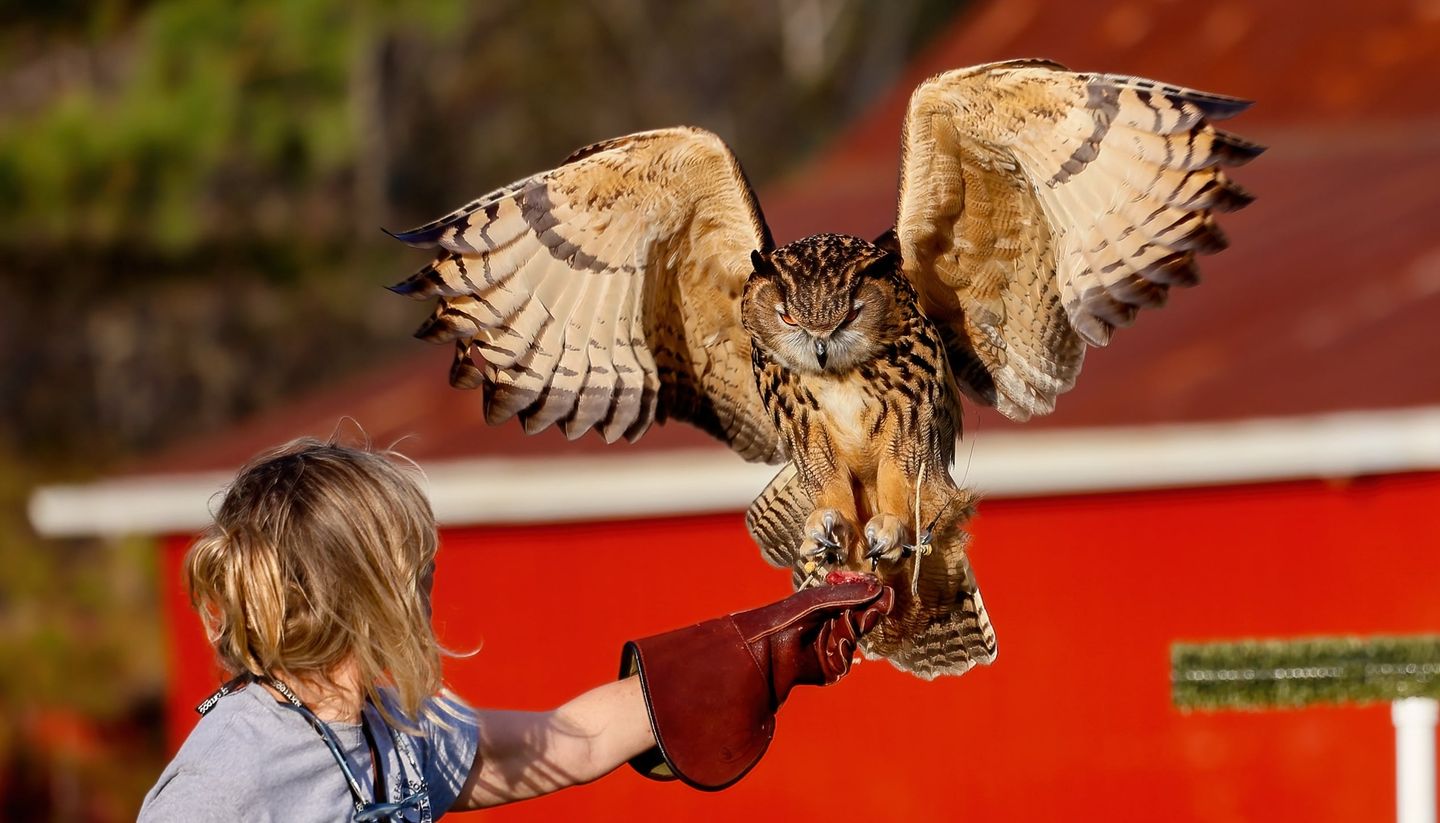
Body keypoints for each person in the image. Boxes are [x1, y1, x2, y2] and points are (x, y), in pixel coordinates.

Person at [138, 437, 893, 821]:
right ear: (368, 594)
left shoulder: (395, 734)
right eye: (417, 568)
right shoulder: (230, 776)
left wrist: (764, 647)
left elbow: (575, 740)